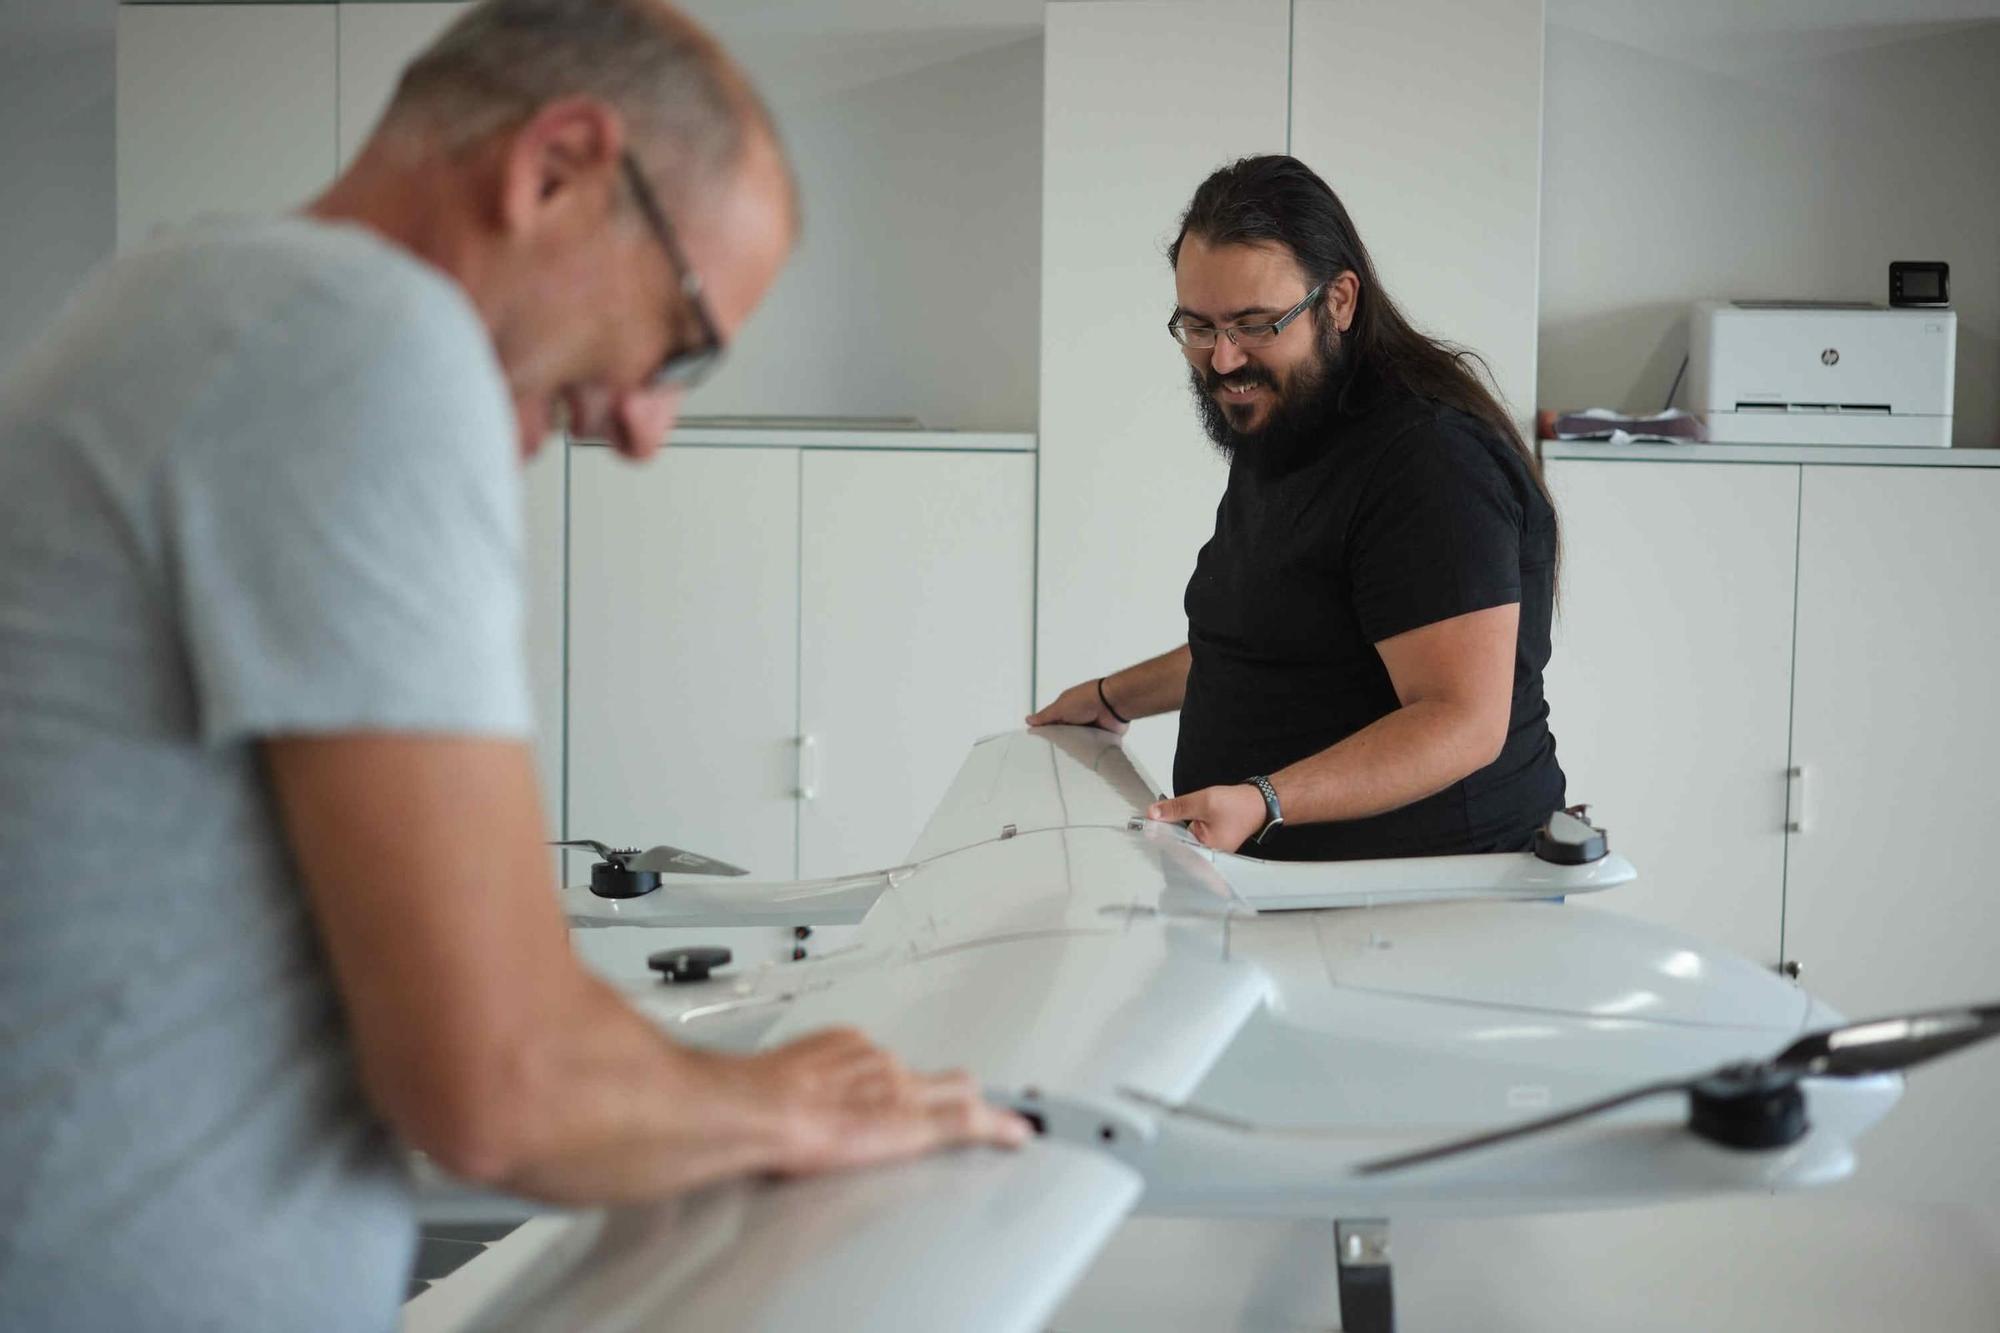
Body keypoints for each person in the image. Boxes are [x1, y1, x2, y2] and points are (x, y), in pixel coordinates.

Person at [0, 3, 1022, 1328]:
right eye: (685, 335)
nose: (649, 428)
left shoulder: (183, 295)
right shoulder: (362, 341)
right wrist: (783, 1103)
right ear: (556, 169)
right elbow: (502, 1077)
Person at [1030, 155, 1565, 860]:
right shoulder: (1286, 420)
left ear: (1339, 301)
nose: (1223, 360)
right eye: (1198, 327)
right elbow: (1276, 643)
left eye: (1254, 325)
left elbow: (1462, 719)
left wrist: (1264, 800)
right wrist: (1112, 696)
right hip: (1303, 893)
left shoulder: (1430, 462)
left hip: (1434, 893)